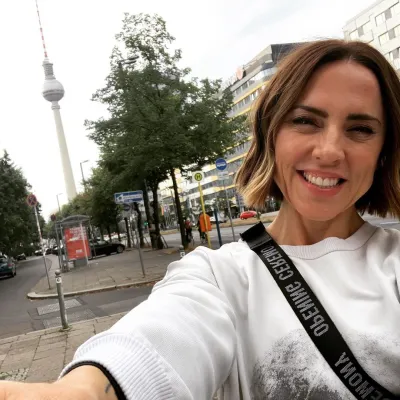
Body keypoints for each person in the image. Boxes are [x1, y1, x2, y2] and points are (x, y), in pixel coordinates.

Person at [2, 39, 400, 399]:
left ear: (384, 151)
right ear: (270, 134)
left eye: (360, 129)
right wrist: (86, 390)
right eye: (306, 121)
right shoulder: (218, 277)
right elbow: (162, 338)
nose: (329, 151)